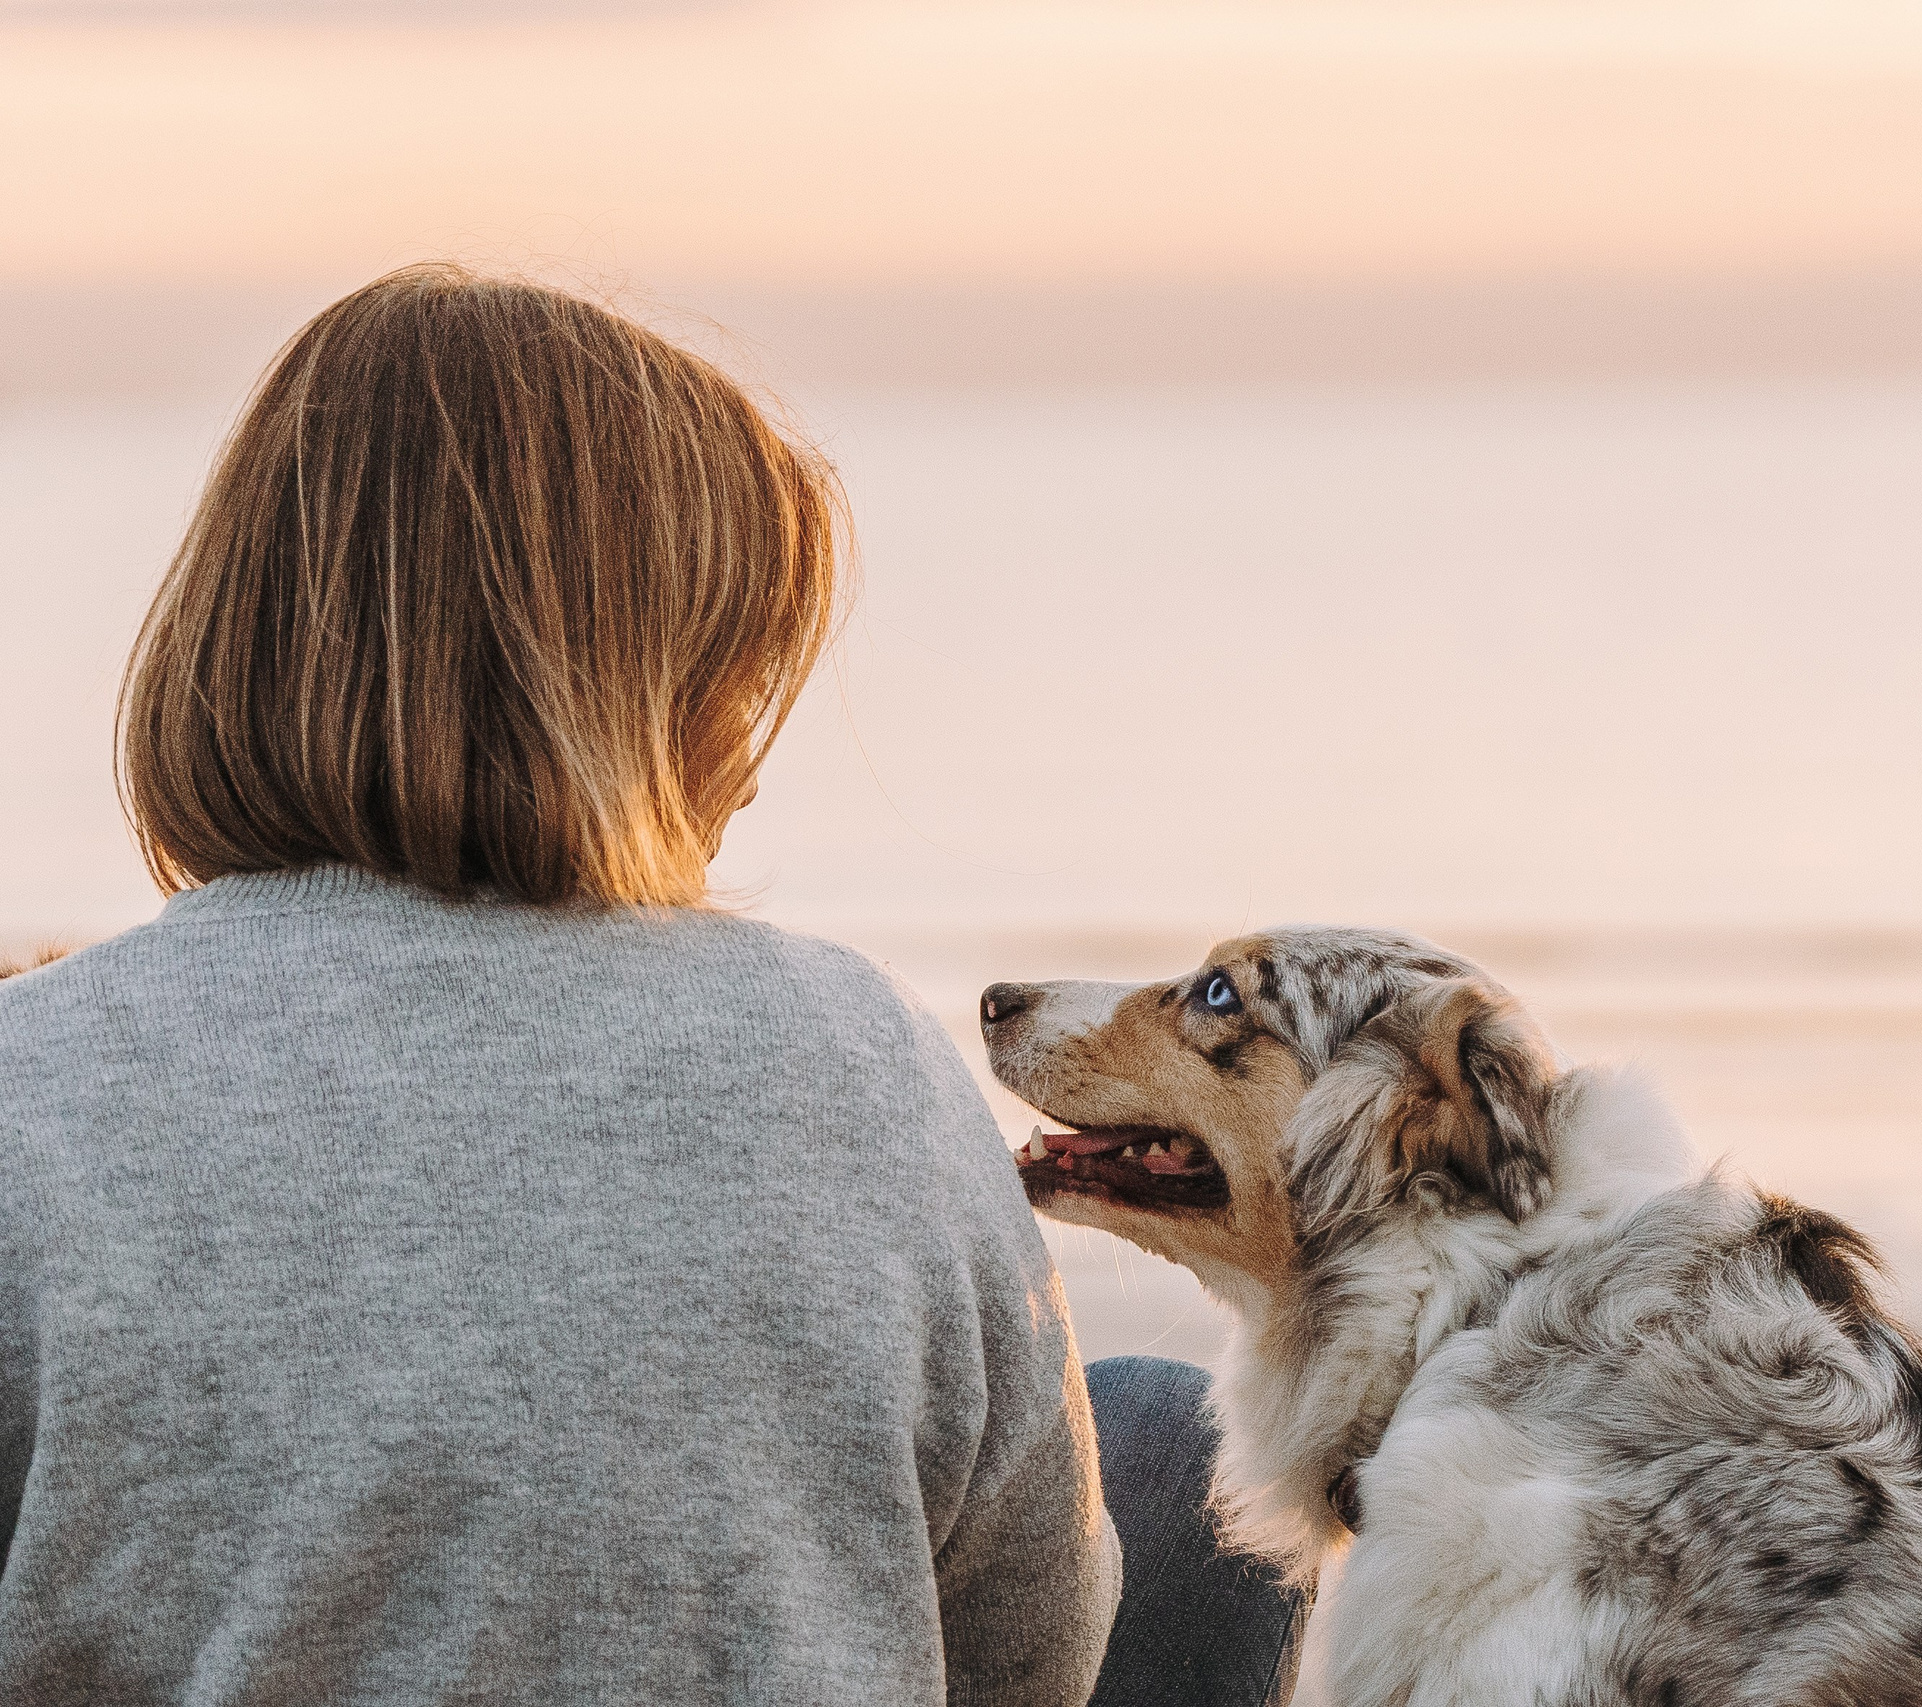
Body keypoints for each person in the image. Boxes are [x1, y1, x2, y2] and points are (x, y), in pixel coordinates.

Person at [0, 266, 1302, 1705]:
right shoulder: (855, 1056)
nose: (747, 769)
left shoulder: (29, 1081)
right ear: (632, 700)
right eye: (733, 679)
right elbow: (1025, 1657)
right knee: (1166, 1440)